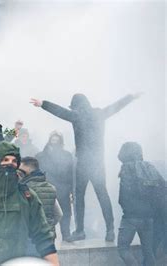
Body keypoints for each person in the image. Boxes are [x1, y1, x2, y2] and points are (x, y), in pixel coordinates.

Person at [30, 93, 141, 241]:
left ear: (75, 105)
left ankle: (80, 231)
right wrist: (130, 97)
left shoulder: (76, 115)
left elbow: (60, 112)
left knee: (79, 197)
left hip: (83, 162)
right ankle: (110, 231)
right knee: (103, 195)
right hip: (98, 163)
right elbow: (116, 106)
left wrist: (43, 103)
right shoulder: (100, 114)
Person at [116, 142, 165, 266]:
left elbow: (122, 197)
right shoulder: (150, 167)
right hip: (149, 218)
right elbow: (162, 188)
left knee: (123, 249)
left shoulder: (127, 168)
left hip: (131, 217)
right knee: (148, 252)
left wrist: (127, 210)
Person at [18, 157, 62, 256]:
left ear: (28, 170)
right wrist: (48, 225)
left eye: (21, 170)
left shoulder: (24, 189)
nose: (19, 172)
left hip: (31, 239)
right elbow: (59, 214)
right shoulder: (51, 187)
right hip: (48, 238)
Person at [36, 131, 74, 241]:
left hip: (63, 189)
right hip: (46, 189)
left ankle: (66, 234)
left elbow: (70, 174)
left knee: (66, 212)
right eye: (53, 140)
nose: (54, 143)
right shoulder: (40, 156)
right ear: (49, 141)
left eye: (57, 140)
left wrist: (71, 190)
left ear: (60, 142)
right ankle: (48, 236)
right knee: (47, 214)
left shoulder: (67, 155)